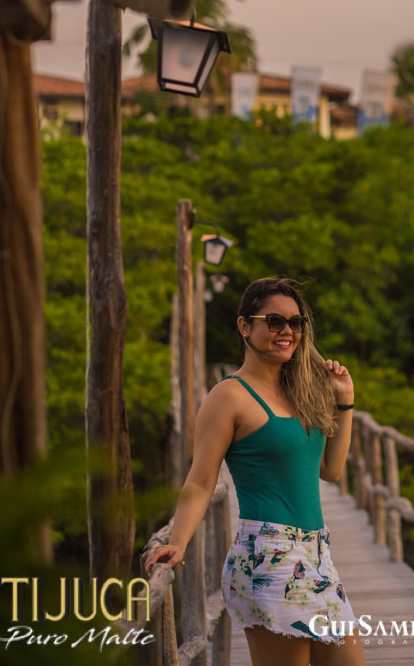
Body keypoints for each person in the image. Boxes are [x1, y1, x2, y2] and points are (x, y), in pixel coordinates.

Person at [144, 276, 365, 666]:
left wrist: (344, 402)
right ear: (245, 326)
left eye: (296, 323)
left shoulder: (302, 389)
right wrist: (178, 541)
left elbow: (330, 471)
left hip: (316, 554)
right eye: (274, 321)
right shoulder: (228, 395)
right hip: (269, 558)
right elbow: (200, 478)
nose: (287, 332)